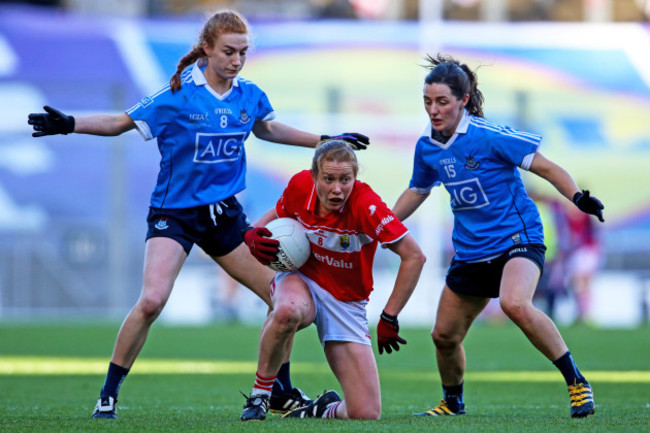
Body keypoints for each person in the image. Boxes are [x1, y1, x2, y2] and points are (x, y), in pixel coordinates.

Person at [27, 9, 369, 420]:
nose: (236, 60)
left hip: (224, 216)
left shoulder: (249, 94)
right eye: (229, 51)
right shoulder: (177, 95)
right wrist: (69, 122)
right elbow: (120, 122)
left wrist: (325, 140)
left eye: (243, 52)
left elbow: (269, 129)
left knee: (284, 302)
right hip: (175, 214)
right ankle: (108, 394)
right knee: (152, 301)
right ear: (206, 48)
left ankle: (279, 391)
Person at [391, 54, 604, 419]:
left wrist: (578, 197)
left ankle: (576, 381)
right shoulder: (426, 147)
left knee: (514, 303)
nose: (433, 110)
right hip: (472, 251)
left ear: (464, 99)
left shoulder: (489, 136)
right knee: (443, 336)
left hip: (517, 238)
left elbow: (547, 167)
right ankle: (452, 402)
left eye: (442, 102)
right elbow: (417, 191)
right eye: (428, 102)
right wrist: (382, 222)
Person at [239, 140, 426, 421]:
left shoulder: (367, 205)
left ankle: (319, 409)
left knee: (365, 412)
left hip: (346, 301)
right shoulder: (300, 186)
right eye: (328, 179)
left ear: (355, 178)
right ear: (315, 176)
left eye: (345, 180)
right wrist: (253, 233)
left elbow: (414, 256)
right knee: (287, 310)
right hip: (303, 278)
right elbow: (279, 214)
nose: (337, 188)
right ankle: (261, 395)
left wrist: (390, 316)